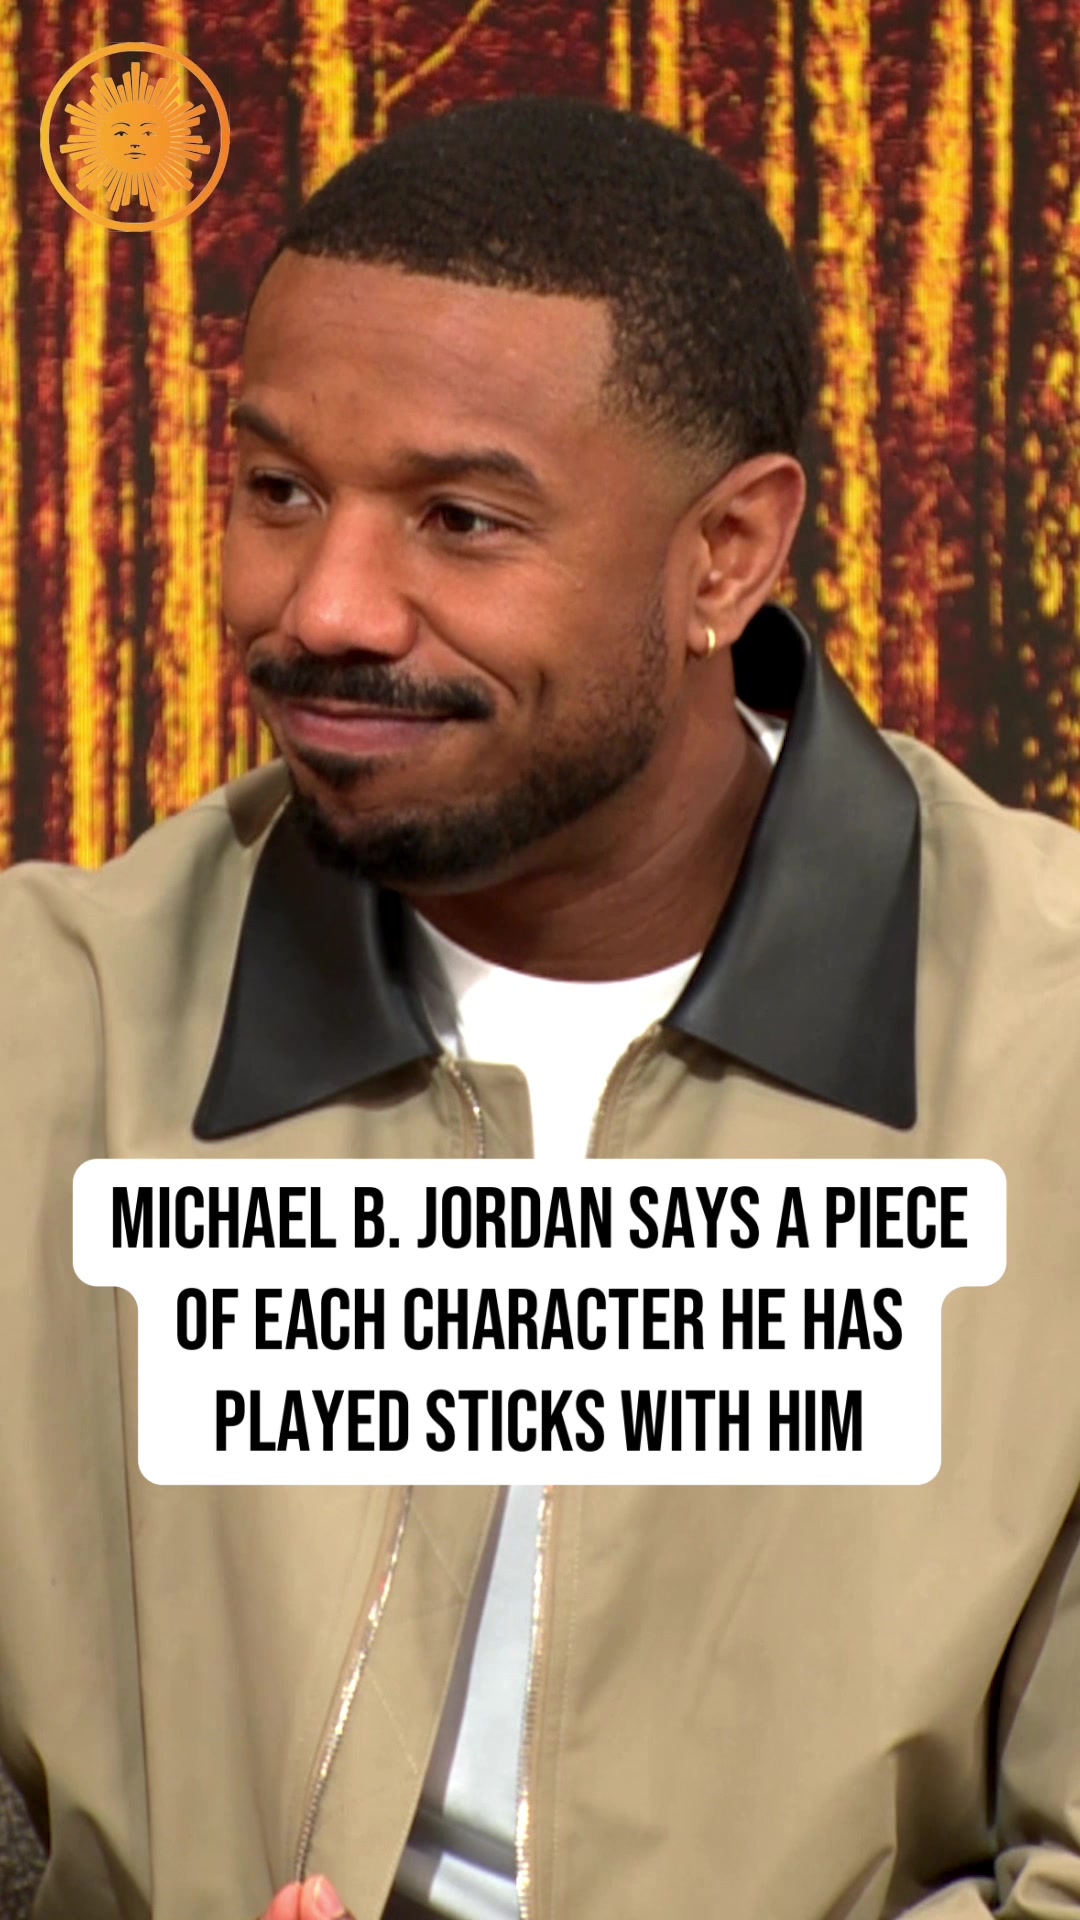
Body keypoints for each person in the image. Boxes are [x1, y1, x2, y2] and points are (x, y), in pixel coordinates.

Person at [1, 94, 1079, 1920]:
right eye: (280, 492)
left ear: (725, 555)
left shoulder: (1049, 1048)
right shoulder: (49, 1024)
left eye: (461, 519)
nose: (328, 607)